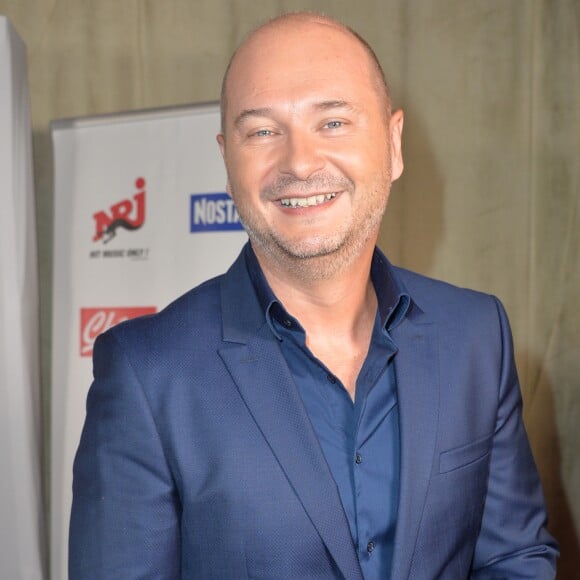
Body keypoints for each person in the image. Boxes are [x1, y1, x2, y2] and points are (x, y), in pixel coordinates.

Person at [69, 12, 559, 579]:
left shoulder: (477, 334)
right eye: (262, 131)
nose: (299, 161)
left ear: (393, 144)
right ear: (227, 161)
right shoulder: (146, 374)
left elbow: (513, 558)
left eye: (332, 122)